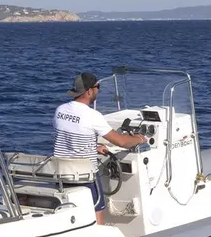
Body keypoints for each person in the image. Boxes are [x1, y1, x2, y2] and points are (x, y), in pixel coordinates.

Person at [53, 72, 146, 225]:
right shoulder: (92, 115)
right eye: (98, 87)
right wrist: (140, 139)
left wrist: (94, 147)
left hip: (61, 174)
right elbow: (121, 142)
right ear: (89, 91)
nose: (98, 90)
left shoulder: (60, 110)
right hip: (85, 176)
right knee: (97, 213)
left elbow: (68, 139)